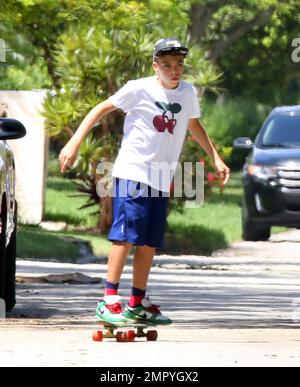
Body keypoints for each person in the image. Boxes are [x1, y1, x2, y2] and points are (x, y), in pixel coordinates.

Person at [59, 37, 230, 325]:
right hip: (134, 172)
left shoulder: (187, 93)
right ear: (155, 66)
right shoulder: (139, 88)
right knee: (125, 236)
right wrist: (74, 142)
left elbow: (192, 124)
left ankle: (137, 302)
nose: (174, 70)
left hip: (161, 178)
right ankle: (109, 299)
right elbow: (100, 109)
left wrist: (215, 157)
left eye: (178, 65)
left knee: (149, 242)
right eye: (166, 65)